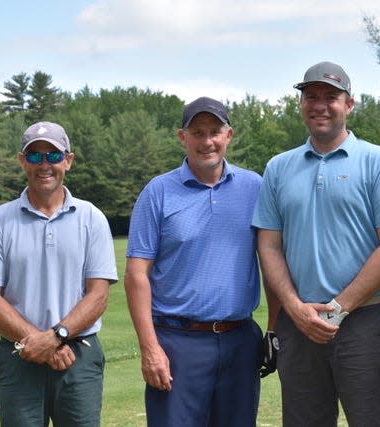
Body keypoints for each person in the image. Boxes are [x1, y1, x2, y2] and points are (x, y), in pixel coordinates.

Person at [252, 61, 380, 426]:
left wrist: (338, 309)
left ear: (350, 104)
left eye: (331, 97)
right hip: (300, 323)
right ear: (301, 104)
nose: (320, 105)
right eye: (311, 96)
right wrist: (294, 309)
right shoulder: (278, 167)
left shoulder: (378, 161)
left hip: (363, 322)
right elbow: (269, 246)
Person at [124, 96, 278, 427]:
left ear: (229, 135)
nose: (206, 141)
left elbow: (273, 263)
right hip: (177, 343)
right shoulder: (158, 192)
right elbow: (137, 274)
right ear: (183, 137)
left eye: (214, 132)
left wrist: (274, 331)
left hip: (240, 341)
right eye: (197, 132)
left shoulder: (255, 187)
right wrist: (150, 348)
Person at [0, 121, 119, 426]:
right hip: (18, 355)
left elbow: (99, 295)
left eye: (53, 156)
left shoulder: (92, 218)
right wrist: (36, 342)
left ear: (68, 160)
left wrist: (55, 337)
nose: (44, 165)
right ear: (22, 161)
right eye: (35, 156)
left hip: (79, 354)